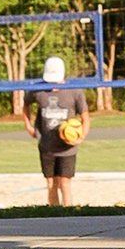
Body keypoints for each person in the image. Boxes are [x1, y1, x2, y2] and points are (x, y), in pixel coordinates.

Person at [27, 53, 87, 209]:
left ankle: (68, 212)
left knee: (65, 183)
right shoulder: (38, 90)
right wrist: (28, 126)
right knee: (51, 182)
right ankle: (54, 213)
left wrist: (81, 136)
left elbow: (86, 117)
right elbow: (25, 105)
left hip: (68, 147)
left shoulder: (74, 92)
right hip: (46, 145)